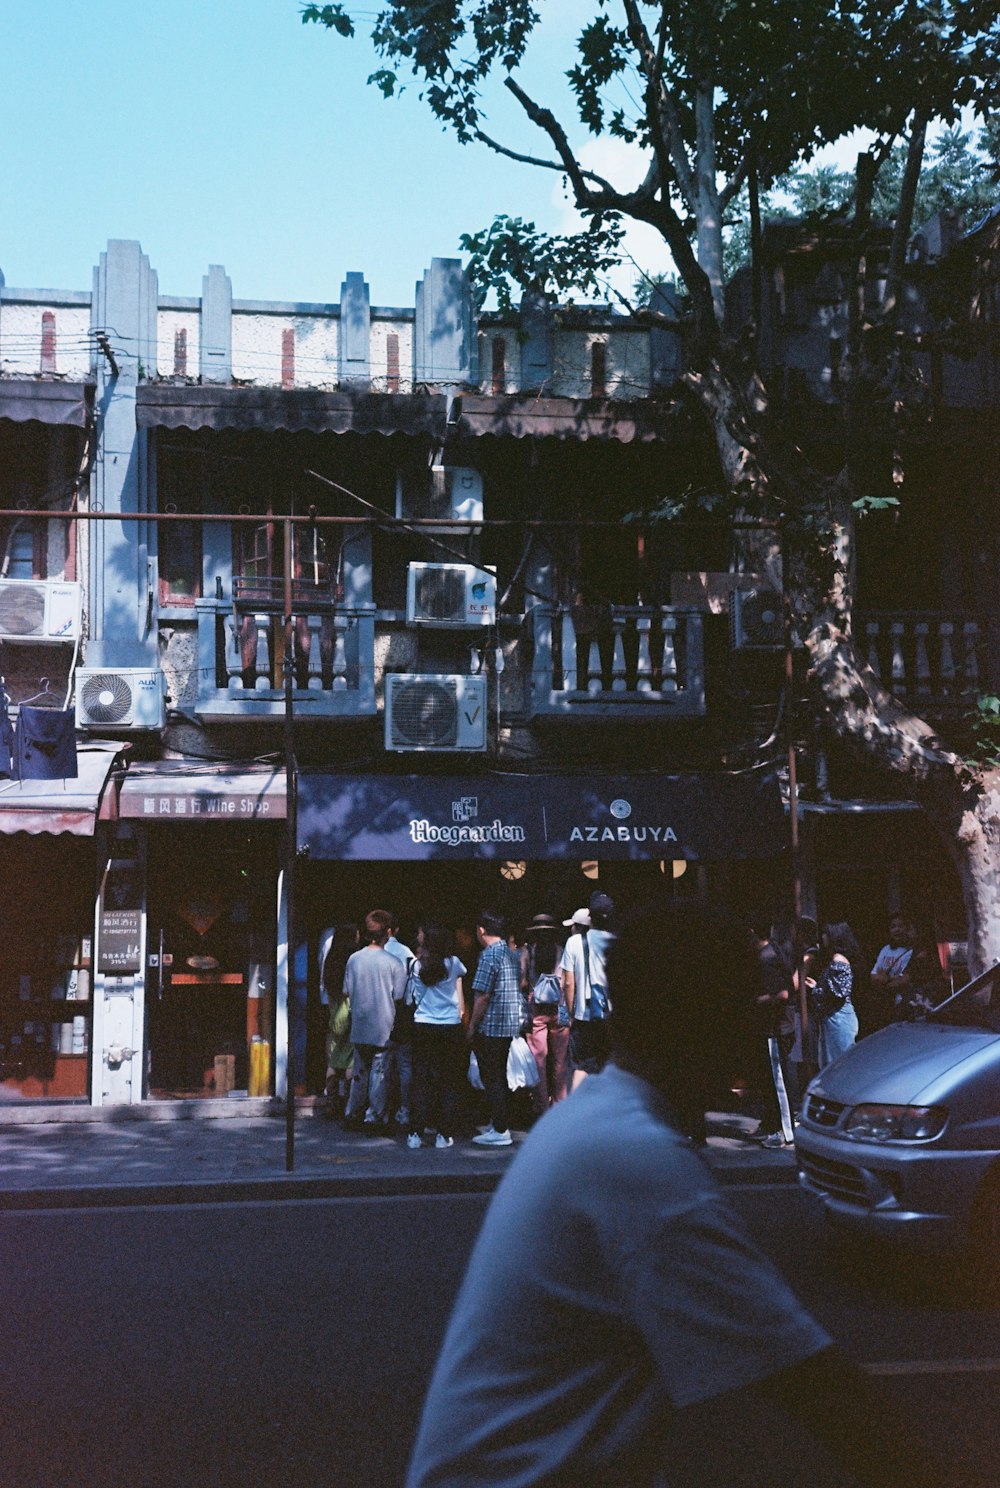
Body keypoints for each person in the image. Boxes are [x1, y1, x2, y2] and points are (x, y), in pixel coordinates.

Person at [406, 900, 947, 1488]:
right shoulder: (636, 1161)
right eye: (749, 999)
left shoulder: (600, 1120)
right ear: (703, 1017)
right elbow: (822, 1392)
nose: (770, 1010)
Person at [341, 909, 406, 1132]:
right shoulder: (394, 963)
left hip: (360, 1022)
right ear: (387, 933)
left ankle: (353, 1112)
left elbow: (346, 991)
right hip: (384, 1026)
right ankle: (375, 1116)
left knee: (360, 1070)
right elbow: (399, 997)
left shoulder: (354, 960)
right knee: (380, 1073)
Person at [405, 921, 467, 1150]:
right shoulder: (454, 963)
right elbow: (461, 976)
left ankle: (415, 1132)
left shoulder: (417, 966)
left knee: (420, 1079)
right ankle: (443, 1134)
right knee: (447, 1080)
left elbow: (416, 995)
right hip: (449, 1025)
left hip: (423, 1023)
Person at [467, 909, 523, 1148]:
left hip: (490, 1026)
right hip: (508, 1023)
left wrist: (471, 1027)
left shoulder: (489, 955)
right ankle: (499, 1123)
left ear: (481, 930)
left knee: (492, 1078)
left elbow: (482, 996)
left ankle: (500, 1129)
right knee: (498, 1075)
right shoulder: (510, 954)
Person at [561, 891, 615, 1088]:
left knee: (581, 1067)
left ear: (590, 916)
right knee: (608, 1066)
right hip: (609, 1016)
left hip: (583, 1016)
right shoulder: (615, 943)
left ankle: (578, 1113)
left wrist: (570, 1013)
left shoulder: (574, 942)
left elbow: (568, 982)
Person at [749, 918, 795, 1148]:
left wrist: (755, 1001)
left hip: (775, 1028)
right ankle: (770, 1123)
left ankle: (785, 1131)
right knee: (768, 1078)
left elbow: (782, 994)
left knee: (778, 1081)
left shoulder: (767, 958)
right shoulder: (769, 952)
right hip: (767, 1027)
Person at [520, 913, 570, 1118]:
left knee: (538, 1060)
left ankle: (541, 1108)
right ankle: (561, 1106)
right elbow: (565, 981)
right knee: (560, 1061)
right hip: (559, 1008)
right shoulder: (561, 951)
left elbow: (522, 982)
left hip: (536, 1008)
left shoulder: (527, 952)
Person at [808, 921, 861, 1069]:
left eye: (825, 933)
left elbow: (838, 993)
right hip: (833, 1019)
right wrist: (817, 986)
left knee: (840, 1065)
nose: (822, 937)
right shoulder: (837, 960)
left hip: (838, 1019)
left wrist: (816, 990)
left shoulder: (838, 960)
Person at [321, 923, 358, 1119]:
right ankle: (348, 1105)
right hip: (350, 1011)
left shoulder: (331, 961)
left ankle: (331, 1102)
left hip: (335, 1013)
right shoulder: (352, 960)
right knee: (351, 1061)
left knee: (333, 1060)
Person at [384, 912, 416, 1128]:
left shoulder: (377, 951)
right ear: (394, 930)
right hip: (403, 1012)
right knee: (405, 1064)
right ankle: (405, 1108)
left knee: (382, 1064)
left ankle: (381, 1108)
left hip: (380, 1011)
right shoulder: (406, 952)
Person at [869, 913, 914, 1030]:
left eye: (900, 926)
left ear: (907, 929)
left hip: (902, 1004)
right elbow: (873, 976)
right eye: (893, 926)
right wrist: (891, 979)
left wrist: (885, 978)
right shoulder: (885, 949)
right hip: (885, 1005)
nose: (897, 930)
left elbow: (904, 981)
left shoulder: (911, 951)